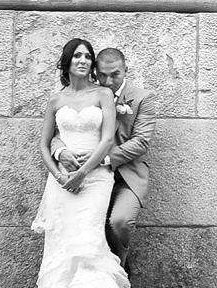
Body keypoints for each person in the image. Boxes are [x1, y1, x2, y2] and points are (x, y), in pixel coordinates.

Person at [29, 38, 147, 288]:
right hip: (62, 180)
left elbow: (108, 137)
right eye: (77, 55)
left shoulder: (103, 94)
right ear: (66, 62)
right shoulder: (56, 100)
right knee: (63, 248)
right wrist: (60, 172)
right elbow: (45, 143)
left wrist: (82, 173)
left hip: (95, 177)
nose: (83, 60)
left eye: (87, 56)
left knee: (89, 242)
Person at [51, 48, 156, 270]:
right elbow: (60, 131)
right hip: (87, 175)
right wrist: (61, 151)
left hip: (125, 176)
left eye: (115, 74)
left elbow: (141, 142)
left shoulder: (142, 99)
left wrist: (103, 158)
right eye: (102, 75)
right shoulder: (88, 94)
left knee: (120, 222)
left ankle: (118, 267)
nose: (108, 81)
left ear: (126, 70)